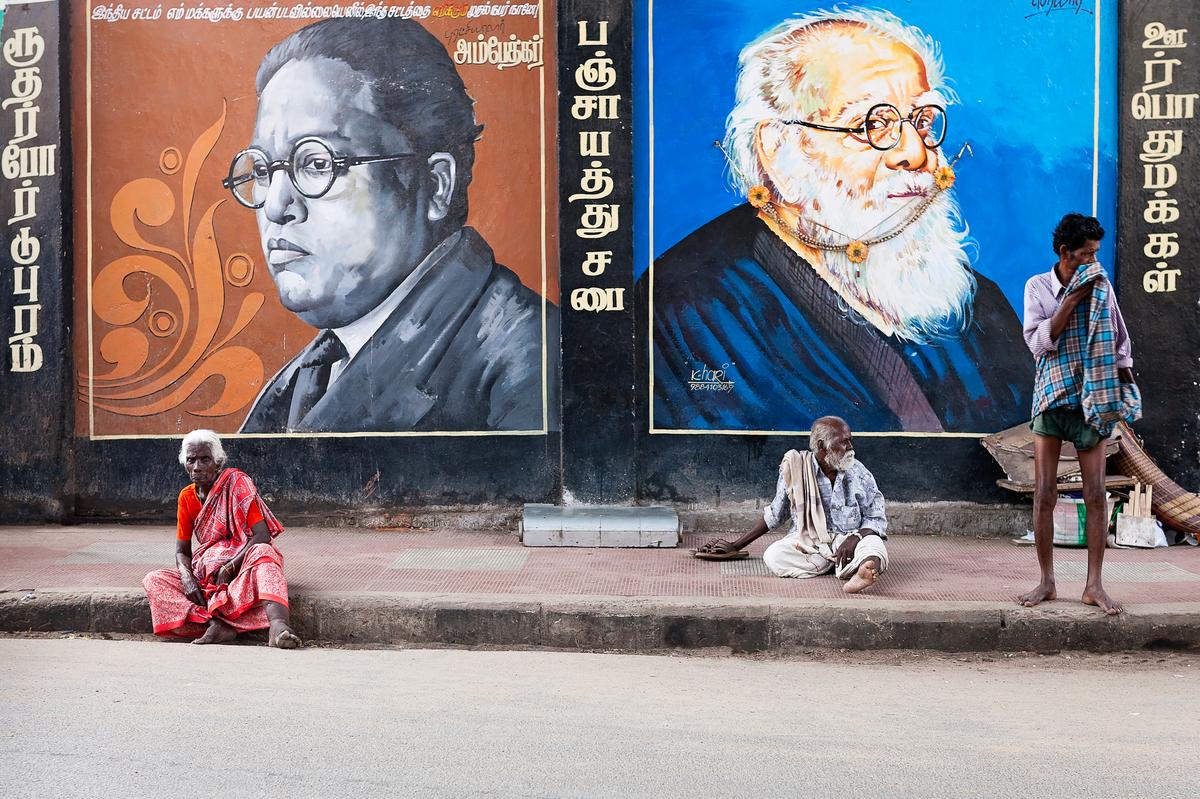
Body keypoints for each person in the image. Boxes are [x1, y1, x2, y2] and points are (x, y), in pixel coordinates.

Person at [644, 7, 1031, 433]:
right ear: (779, 152)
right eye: (874, 123)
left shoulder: (978, 302)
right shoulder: (683, 310)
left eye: (922, 121)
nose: (917, 154)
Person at [230, 17, 558, 433]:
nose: (276, 206)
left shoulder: (529, 365)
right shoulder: (318, 367)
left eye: (316, 164)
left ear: (436, 186)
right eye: (262, 169)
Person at [1018, 213, 1139, 615]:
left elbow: (1119, 339)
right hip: (1052, 396)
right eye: (1086, 254)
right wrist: (1071, 297)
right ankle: (1046, 582)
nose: (1092, 260)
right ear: (1064, 253)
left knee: (1095, 494)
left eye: (1095, 253)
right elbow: (1039, 343)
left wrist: (1123, 388)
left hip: (1092, 397)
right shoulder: (1038, 287)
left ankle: (1094, 586)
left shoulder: (1101, 286)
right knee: (1045, 494)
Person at [694, 416, 889, 593]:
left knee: (873, 544)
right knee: (773, 555)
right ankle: (841, 566)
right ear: (822, 446)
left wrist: (854, 538)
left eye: (850, 440)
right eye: (843, 442)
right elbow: (775, 515)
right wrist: (736, 545)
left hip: (849, 540)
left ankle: (863, 569)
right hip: (809, 543)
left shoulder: (859, 472)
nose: (850, 447)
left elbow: (876, 518)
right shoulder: (795, 468)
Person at [142, 430, 301, 647]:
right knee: (154, 579)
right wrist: (187, 577)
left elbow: (262, 535)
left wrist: (229, 567)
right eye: (191, 460)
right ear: (185, 464)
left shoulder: (236, 484)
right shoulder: (186, 497)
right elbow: (181, 551)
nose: (197, 466)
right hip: (206, 577)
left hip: (239, 571)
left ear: (218, 462)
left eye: (204, 459)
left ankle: (278, 625)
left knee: (264, 552)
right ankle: (215, 625)